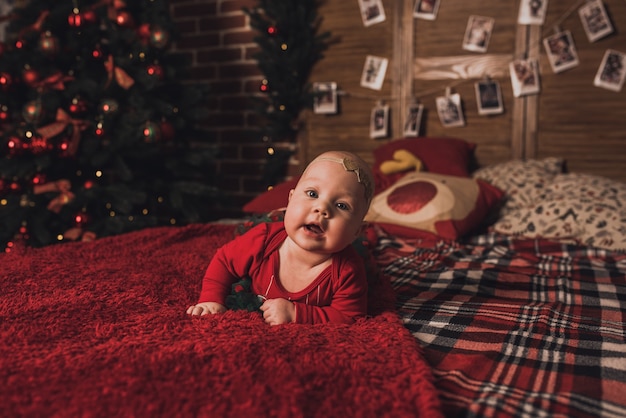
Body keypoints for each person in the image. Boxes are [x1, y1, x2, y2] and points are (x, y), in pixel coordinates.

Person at [186, 150, 375, 325]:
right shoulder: (263, 239)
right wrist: (211, 300)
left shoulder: (348, 271)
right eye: (312, 194)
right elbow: (225, 261)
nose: (322, 209)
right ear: (291, 199)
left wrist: (296, 314)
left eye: (342, 205)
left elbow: (350, 316)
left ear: (357, 231)